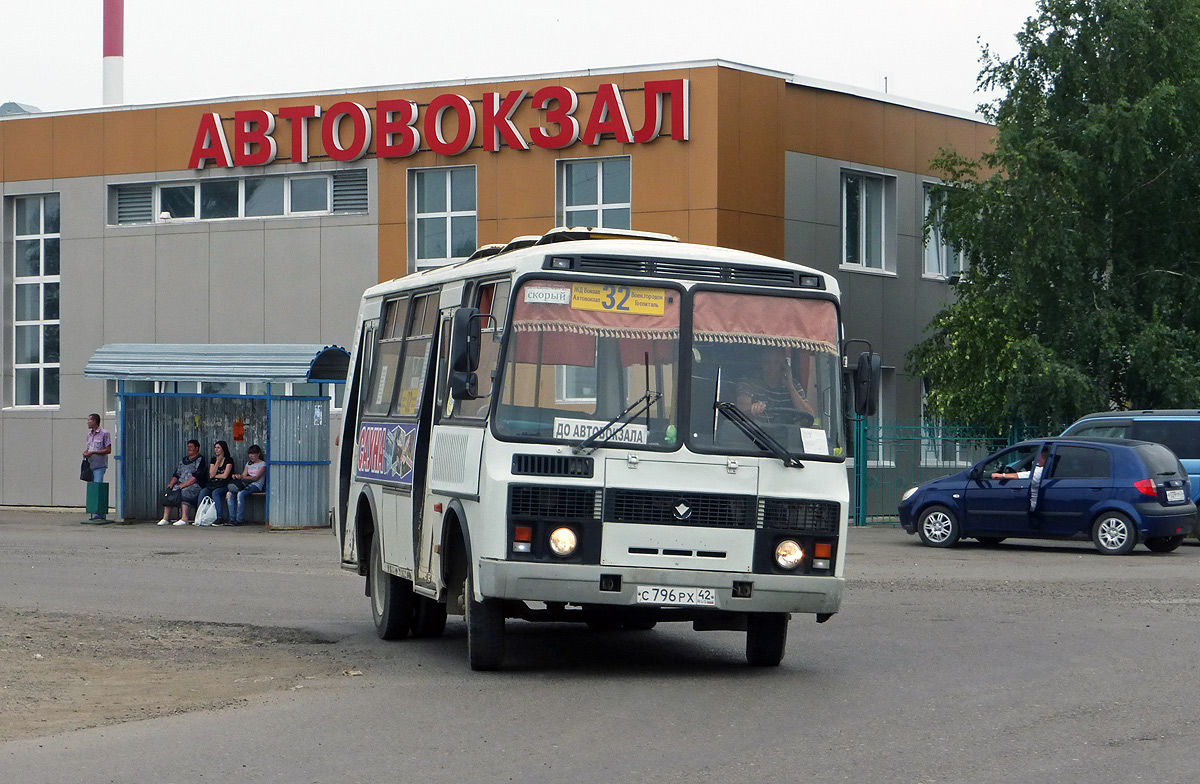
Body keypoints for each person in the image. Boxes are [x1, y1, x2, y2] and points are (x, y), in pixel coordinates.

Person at [736, 346, 816, 427]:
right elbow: (741, 407)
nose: (771, 367)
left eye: (776, 362)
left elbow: (809, 417)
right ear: (761, 363)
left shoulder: (794, 385)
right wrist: (753, 408)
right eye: (767, 362)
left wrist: (790, 387)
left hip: (788, 437)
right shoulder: (749, 382)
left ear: (784, 365)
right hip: (757, 435)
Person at [158, 440, 208, 526]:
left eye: (191, 447)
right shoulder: (184, 460)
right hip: (181, 483)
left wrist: (185, 484)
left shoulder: (200, 459)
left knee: (185, 491)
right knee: (170, 490)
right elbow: (176, 474)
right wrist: (171, 483)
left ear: (197, 448)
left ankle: (184, 518)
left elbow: (197, 476)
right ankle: (165, 518)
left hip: (195, 484)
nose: (189, 448)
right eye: (188, 446)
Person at [991, 446, 1051, 515]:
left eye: (1039, 457)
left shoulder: (1041, 472)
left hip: (1035, 509)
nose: (1037, 460)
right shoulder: (1047, 470)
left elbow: (1020, 476)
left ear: (1044, 459)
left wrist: (1002, 475)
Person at [221, 444, 267, 527]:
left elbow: (256, 478)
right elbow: (243, 475)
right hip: (246, 483)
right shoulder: (248, 464)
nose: (251, 456)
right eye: (250, 454)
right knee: (230, 494)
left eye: (253, 454)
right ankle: (232, 519)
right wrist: (238, 476)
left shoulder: (262, 464)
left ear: (258, 454)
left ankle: (239, 519)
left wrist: (242, 476)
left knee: (240, 494)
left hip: (256, 485)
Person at [197, 440, 236, 525]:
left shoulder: (229, 460)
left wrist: (215, 475)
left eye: (218, 448)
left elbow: (225, 476)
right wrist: (217, 462)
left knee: (216, 493)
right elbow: (211, 475)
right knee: (203, 492)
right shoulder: (213, 460)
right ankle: (199, 515)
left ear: (223, 449)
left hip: (224, 484)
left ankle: (219, 517)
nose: (216, 450)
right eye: (215, 447)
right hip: (213, 484)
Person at [82, 413, 112, 521]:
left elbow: (108, 449)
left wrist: (94, 452)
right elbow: (89, 447)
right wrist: (86, 453)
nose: (88, 422)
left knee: (98, 486)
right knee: (93, 488)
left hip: (99, 465)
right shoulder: (89, 435)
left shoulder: (104, 433)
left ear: (95, 421)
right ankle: (96, 511)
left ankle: (99, 514)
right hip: (90, 464)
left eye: (90, 420)